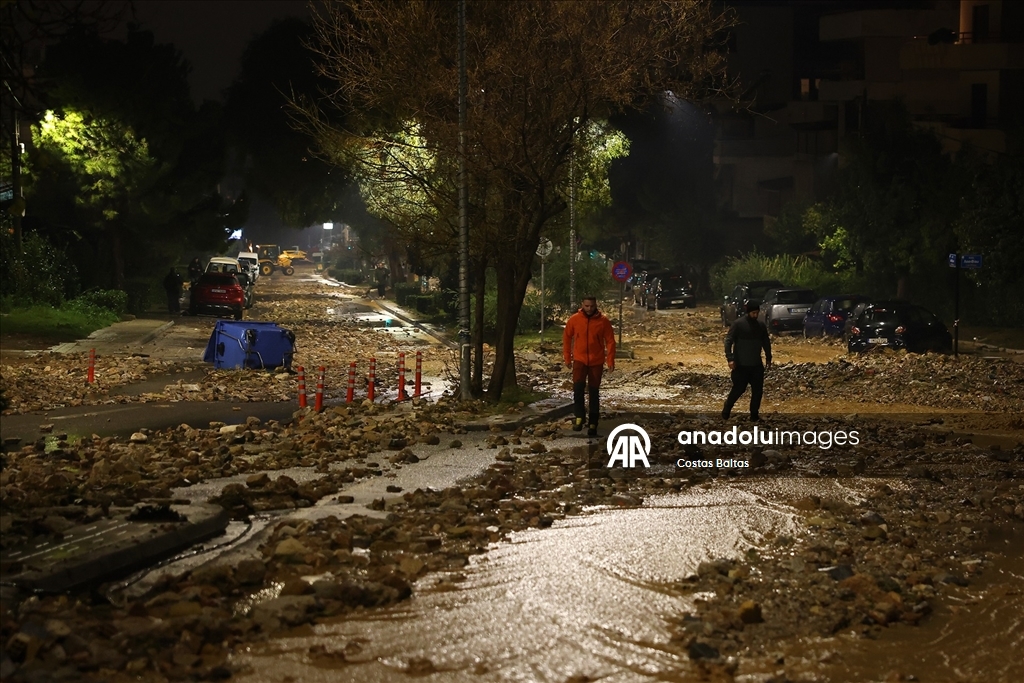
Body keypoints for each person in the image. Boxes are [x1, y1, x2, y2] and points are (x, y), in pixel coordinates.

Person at [562, 296, 616, 437]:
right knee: (578, 389)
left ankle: (593, 422)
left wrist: (610, 360)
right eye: (587, 306)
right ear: (582, 305)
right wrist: (567, 357)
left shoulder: (603, 321)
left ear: (595, 305)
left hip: (596, 361)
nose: (589, 308)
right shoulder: (574, 320)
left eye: (592, 306)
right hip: (579, 359)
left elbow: (610, 341)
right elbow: (567, 337)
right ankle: (579, 417)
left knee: (594, 392)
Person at [722, 299, 772, 421]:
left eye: (757, 313)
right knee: (739, 389)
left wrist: (768, 358)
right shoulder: (738, 324)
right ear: (748, 312)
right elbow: (728, 341)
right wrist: (730, 359)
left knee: (757, 391)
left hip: (756, 365)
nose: (755, 315)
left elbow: (766, 342)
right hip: (741, 365)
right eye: (753, 313)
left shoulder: (760, 326)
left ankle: (754, 415)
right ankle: (727, 409)